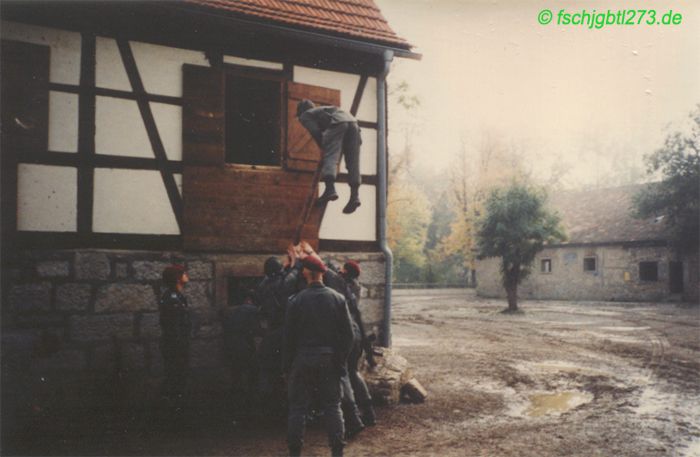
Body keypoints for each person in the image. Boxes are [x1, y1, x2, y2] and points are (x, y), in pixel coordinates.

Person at [283, 255, 354, 457]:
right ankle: (337, 451)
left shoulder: (295, 301)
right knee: (333, 406)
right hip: (329, 359)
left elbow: (288, 338)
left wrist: (286, 368)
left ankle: (295, 452)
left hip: (302, 358)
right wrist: (340, 360)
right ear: (323, 273)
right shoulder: (338, 299)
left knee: (297, 408)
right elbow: (348, 336)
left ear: (305, 273)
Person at [296, 99, 362, 214]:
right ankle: (354, 197)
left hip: (338, 123)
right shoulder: (325, 109)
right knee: (353, 162)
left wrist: (324, 147)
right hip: (354, 125)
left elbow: (315, 131)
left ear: (301, 111)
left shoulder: (305, 115)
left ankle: (330, 190)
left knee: (330, 156)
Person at [222, 291, 263, 419]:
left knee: (236, 376)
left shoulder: (232, 311)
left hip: (230, 347)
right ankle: (251, 407)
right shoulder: (252, 309)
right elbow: (256, 330)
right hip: (244, 346)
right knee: (253, 374)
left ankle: (235, 407)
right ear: (250, 300)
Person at [159, 264, 192, 406]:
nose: (186, 275)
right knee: (175, 374)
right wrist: (179, 344)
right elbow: (173, 325)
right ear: (177, 278)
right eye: (183, 273)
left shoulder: (178, 296)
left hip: (179, 342)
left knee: (179, 374)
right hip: (174, 343)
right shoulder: (172, 298)